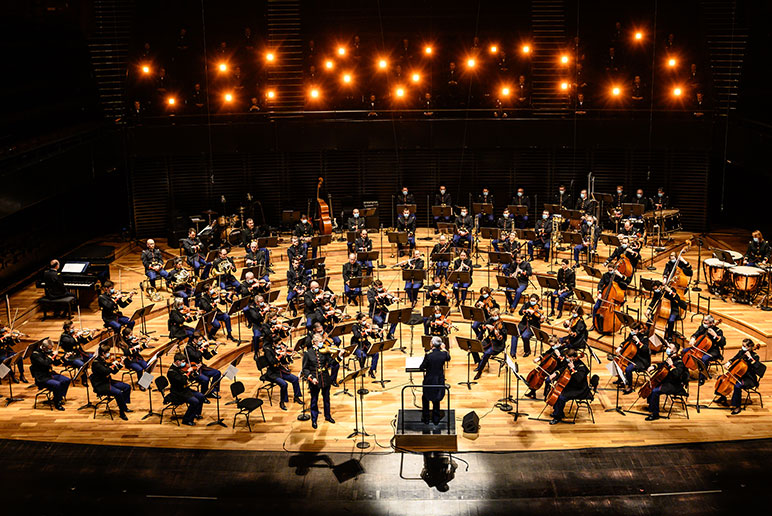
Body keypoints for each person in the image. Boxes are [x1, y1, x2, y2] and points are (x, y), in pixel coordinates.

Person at [715, 339, 766, 415]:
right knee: (721, 378)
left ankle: (737, 406)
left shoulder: (755, 356)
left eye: (744, 346)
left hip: (749, 378)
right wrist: (729, 363)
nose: (742, 347)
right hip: (739, 375)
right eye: (742, 345)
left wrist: (750, 358)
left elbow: (757, 367)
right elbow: (734, 359)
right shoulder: (741, 352)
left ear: (749, 347)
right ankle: (723, 396)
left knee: (737, 386)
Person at [645, 341, 688, 421]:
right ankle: (651, 407)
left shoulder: (680, 363)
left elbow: (676, 375)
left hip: (675, 385)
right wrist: (654, 366)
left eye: (669, 348)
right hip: (668, 382)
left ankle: (655, 414)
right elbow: (663, 364)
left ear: (674, 351)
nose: (667, 349)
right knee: (652, 384)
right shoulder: (670, 358)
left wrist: (671, 366)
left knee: (655, 391)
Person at [262, 325, 302, 410]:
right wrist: (280, 356)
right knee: (284, 384)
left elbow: (284, 362)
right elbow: (272, 362)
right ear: (273, 344)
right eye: (279, 344)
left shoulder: (279, 349)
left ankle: (297, 397)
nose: (281, 346)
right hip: (272, 373)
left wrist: (290, 356)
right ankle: (282, 402)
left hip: (280, 370)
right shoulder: (268, 351)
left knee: (295, 379)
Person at [302, 334, 336, 429]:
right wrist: (311, 378)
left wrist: (340, 356)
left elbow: (332, 363)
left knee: (326, 399)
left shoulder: (325, 351)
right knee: (314, 400)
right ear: (314, 342)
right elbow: (305, 369)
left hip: (325, 377)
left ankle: (328, 416)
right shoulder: (308, 353)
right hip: (315, 379)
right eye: (320, 342)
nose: (322, 343)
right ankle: (314, 419)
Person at [90, 345, 133, 420]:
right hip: (101, 385)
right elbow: (106, 371)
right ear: (103, 353)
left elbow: (113, 372)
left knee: (127, 387)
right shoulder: (96, 363)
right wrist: (116, 365)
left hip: (107, 381)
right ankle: (122, 412)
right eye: (107, 352)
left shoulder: (103, 360)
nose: (109, 354)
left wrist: (119, 364)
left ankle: (123, 406)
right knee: (118, 393)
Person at [549, 349, 591, 425]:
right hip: (572, 385)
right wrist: (555, 373)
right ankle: (559, 412)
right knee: (557, 392)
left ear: (573, 357)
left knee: (561, 397)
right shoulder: (570, 362)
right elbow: (563, 369)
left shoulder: (581, 366)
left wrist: (573, 368)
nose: (567, 358)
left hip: (580, 389)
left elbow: (578, 379)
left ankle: (557, 417)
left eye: (568, 357)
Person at [167, 352, 206, 426]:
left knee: (201, 396)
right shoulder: (171, 372)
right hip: (178, 392)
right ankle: (187, 420)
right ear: (177, 361)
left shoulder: (179, 368)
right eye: (183, 362)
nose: (184, 363)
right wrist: (188, 373)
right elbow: (182, 380)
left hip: (184, 390)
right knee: (195, 402)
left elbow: (188, 379)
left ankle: (196, 413)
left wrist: (194, 372)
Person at [30, 340, 70, 411]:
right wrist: (51, 356)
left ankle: (59, 397)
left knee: (66, 380)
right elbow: (45, 363)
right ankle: (57, 403)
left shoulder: (47, 352)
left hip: (50, 374)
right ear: (44, 347)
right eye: (49, 349)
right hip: (42, 378)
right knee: (57, 384)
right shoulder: (35, 354)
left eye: (51, 348)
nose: (51, 350)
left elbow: (56, 363)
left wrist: (64, 358)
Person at [686, 315, 726, 385]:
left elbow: (723, 343)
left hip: (713, 351)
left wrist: (715, 336)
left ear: (712, 323)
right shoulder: (702, 327)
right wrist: (693, 338)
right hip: (700, 348)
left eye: (706, 323)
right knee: (685, 351)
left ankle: (702, 378)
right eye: (704, 322)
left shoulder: (718, 331)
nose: (704, 325)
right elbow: (696, 333)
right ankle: (684, 374)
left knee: (704, 358)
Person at [420, 336, 450, 425]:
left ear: (432, 344)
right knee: (436, 399)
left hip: (429, 380)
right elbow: (448, 358)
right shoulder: (444, 354)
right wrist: (444, 349)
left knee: (425, 398)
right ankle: (436, 419)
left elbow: (422, 367)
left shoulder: (428, 354)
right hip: (439, 380)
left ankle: (426, 418)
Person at [590, 263, 628, 331]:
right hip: (605, 296)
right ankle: (594, 323)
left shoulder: (618, 276)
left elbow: (627, 281)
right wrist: (600, 292)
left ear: (614, 269)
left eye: (611, 270)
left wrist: (619, 275)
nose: (610, 271)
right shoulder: (605, 275)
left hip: (613, 298)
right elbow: (600, 284)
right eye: (609, 270)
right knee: (595, 307)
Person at [616, 322, 651, 395]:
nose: (631, 332)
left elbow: (645, 350)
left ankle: (630, 386)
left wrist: (638, 342)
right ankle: (622, 379)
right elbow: (626, 341)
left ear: (637, 330)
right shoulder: (631, 335)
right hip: (633, 357)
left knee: (628, 369)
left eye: (633, 330)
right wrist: (620, 347)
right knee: (619, 362)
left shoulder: (644, 338)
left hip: (642, 360)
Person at [473, 308, 507, 380]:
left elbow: (502, 338)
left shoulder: (502, 324)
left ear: (498, 315)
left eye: (495, 315)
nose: (493, 317)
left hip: (497, 344)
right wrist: (487, 326)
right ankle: (480, 362)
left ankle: (479, 371)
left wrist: (498, 334)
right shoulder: (490, 320)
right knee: (474, 347)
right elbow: (483, 325)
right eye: (492, 315)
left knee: (486, 353)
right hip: (489, 340)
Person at [59, 320, 91, 384]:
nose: (74, 329)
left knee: (92, 357)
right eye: (72, 328)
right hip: (71, 357)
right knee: (81, 364)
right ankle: (84, 380)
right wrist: (76, 336)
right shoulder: (64, 337)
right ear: (67, 329)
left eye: (73, 327)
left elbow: (84, 341)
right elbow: (71, 342)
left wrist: (91, 335)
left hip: (79, 354)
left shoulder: (73, 334)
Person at [352, 313, 380, 378]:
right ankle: (362, 369)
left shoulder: (366, 326)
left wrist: (378, 334)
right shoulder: (355, 326)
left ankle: (372, 370)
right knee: (363, 356)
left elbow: (373, 336)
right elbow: (357, 335)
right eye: (363, 320)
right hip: (358, 345)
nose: (365, 321)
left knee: (376, 354)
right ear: (359, 320)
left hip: (366, 345)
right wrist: (365, 331)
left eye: (365, 320)